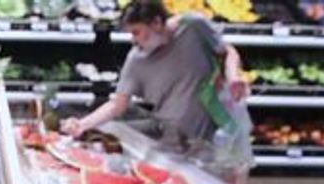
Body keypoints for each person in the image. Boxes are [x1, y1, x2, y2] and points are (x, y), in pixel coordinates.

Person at [61, 0, 248, 146]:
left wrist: (233, 76)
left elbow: (227, 51)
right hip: (174, 140)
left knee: (231, 180)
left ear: (157, 23)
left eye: (136, 32)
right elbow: (117, 105)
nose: (133, 40)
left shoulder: (193, 25)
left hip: (221, 127)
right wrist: (82, 124)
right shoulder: (136, 59)